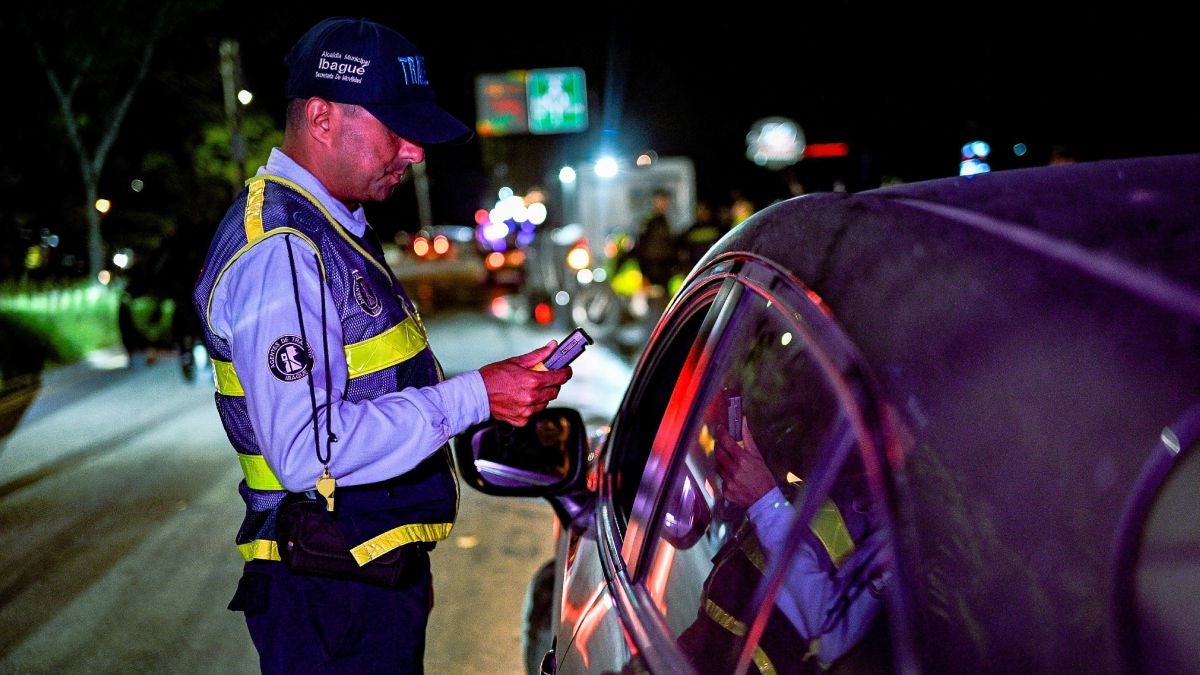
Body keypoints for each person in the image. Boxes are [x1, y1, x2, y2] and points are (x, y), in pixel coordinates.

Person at [192, 17, 572, 673]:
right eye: (395, 129)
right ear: (320, 117)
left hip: (356, 579)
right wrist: (477, 394)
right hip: (330, 598)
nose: (416, 151)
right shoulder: (282, 248)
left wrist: (488, 394)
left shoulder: (329, 226)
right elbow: (309, 453)